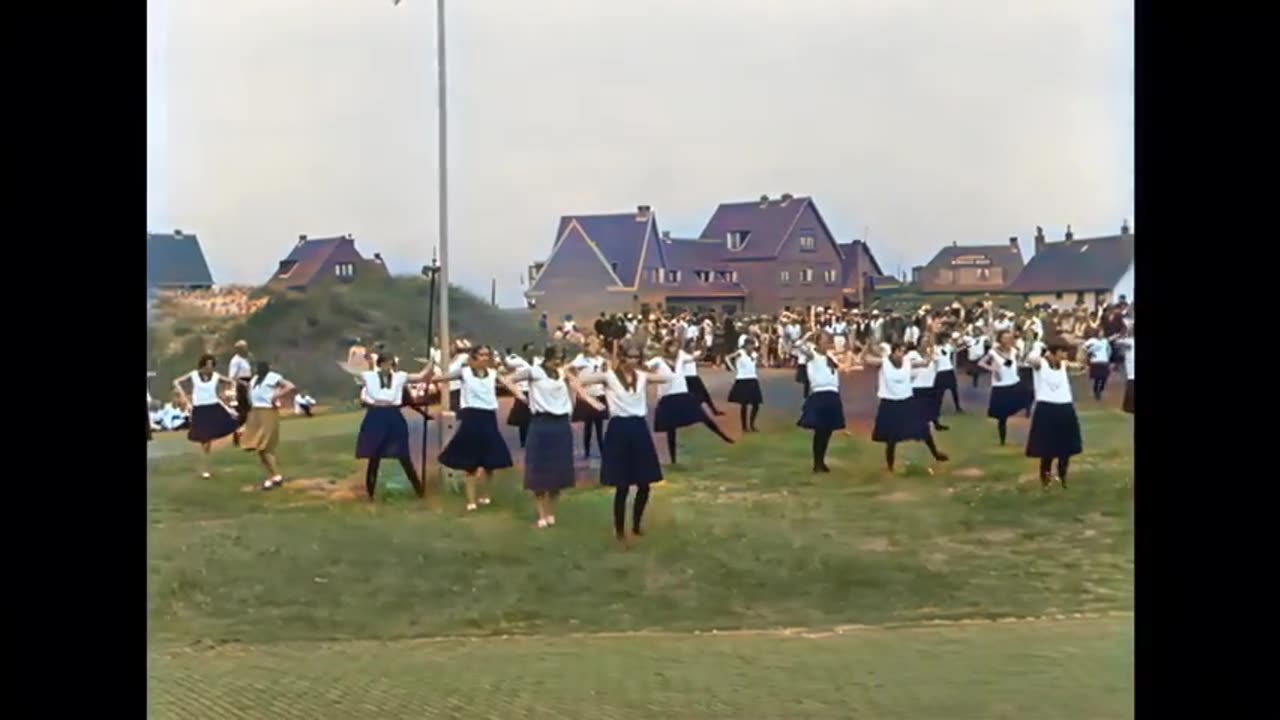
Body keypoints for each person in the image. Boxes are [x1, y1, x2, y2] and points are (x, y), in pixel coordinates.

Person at [576, 345, 672, 547]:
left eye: (637, 356)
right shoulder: (609, 376)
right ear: (622, 357)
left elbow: (667, 377)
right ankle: (619, 529)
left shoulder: (642, 376)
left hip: (638, 427)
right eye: (630, 356)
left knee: (645, 483)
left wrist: (661, 360)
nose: (634, 360)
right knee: (622, 484)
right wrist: (592, 402)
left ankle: (636, 525)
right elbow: (578, 381)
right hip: (619, 427)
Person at [509, 346, 602, 528]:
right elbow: (508, 379)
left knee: (558, 469)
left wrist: (591, 401)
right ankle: (541, 513)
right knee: (539, 470)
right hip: (541, 423)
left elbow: (577, 386)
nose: (558, 362)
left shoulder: (562, 373)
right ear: (547, 357)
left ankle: (551, 511)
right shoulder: (534, 372)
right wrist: (521, 395)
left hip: (561, 423)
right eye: (555, 358)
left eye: (561, 358)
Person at [433, 346, 521, 512]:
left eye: (487, 355)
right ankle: (471, 500)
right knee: (470, 462)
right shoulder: (465, 372)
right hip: (471, 416)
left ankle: (486, 496)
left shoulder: (493, 374)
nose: (484, 358)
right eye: (481, 355)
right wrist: (430, 378)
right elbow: (442, 378)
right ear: (474, 357)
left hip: (488, 417)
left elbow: (509, 383)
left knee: (490, 461)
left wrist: (522, 396)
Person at [862, 343, 949, 473]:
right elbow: (866, 359)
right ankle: (890, 465)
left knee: (923, 428)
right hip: (890, 403)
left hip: (906, 401)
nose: (902, 355)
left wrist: (930, 353)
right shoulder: (884, 362)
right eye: (900, 352)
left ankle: (936, 454)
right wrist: (865, 346)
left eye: (903, 352)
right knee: (891, 437)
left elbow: (924, 363)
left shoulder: (907, 361)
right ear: (894, 352)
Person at [356, 353, 432, 500]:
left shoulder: (400, 376)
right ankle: (370, 494)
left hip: (393, 414)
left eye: (390, 364)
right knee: (374, 456)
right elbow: (354, 371)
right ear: (380, 364)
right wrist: (365, 358)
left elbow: (421, 376)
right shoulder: (369, 376)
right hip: (375, 415)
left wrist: (431, 363)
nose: (388, 366)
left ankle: (419, 491)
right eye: (385, 363)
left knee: (403, 454)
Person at [648, 338, 734, 464]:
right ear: (666, 348)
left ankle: (724, 437)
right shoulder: (658, 361)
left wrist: (704, 348)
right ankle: (673, 460)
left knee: (703, 416)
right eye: (672, 346)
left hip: (682, 394)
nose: (675, 349)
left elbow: (695, 358)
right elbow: (644, 366)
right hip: (667, 397)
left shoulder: (681, 356)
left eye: (677, 346)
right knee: (671, 429)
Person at [1024, 343, 1086, 488]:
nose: (1064, 356)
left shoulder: (1064, 365)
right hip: (1046, 408)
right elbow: (1029, 359)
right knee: (1047, 448)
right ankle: (1045, 479)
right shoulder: (1042, 364)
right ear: (1055, 352)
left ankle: (1062, 477)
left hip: (1065, 407)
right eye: (1062, 353)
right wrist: (1038, 348)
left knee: (1066, 447)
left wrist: (1082, 352)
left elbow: (1080, 367)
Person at [796, 332, 858, 472]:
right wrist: (808, 336)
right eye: (824, 341)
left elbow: (842, 368)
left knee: (828, 431)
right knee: (820, 430)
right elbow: (798, 346)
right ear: (818, 343)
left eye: (828, 341)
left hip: (832, 393)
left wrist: (848, 355)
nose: (827, 344)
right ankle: (817, 463)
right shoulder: (812, 355)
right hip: (820, 393)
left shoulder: (830, 357)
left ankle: (821, 461)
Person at [173, 354, 240, 478]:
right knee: (205, 441)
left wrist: (231, 395)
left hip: (214, 407)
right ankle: (205, 467)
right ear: (203, 365)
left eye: (212, 365)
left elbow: (231, 382)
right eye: (208, 365)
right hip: (200, 409)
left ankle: (206, 466)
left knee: (234, 423)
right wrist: (185, 397)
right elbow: (176, 381)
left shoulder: (215, 376)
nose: (210, 368)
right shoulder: (193, 375)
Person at [240, 361, 296, 490]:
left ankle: (276, 476)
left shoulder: (273, 377)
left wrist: (275, 396)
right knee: (258, 446)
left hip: (267, 411)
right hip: (256, 412)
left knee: (265, 446)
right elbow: (250, 392)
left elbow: (289, 386)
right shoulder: (254, 379)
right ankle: (273, 475)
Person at [978, 330, 1027, 446]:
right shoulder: (993, 352)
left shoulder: (1014, 351)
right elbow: (981, 363)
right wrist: (993, 369)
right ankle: (1002, 440)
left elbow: (1018, 362)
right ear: (1000, 339)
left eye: (1009, 337)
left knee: (1027, 399)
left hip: (1014, 383)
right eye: (1004, 338)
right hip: (1001, 385)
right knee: (1002, 417)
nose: (1007, 340)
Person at [570, 336, 610, 459]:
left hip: (599, 394)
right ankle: (586, 451)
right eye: (592, 344)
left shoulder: (601, 360)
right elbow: (570, 370)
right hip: (587, 395)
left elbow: (607, 373)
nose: (595, 347)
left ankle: (603, 450)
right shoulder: (581, 359)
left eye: (596, 344)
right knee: (588, 425)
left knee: (599, 426)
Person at [907, 338, 948, 433]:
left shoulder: (930, 354)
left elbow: (937, 364)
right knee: (918, 408)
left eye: (927, 342)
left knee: (931, 406)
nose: (926, 344)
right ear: (919, 343)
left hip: (929, 384)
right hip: (917, 385)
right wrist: (930, 356)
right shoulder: (912, 354)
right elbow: (918, 364)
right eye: (924, 342)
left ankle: (935, 424)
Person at [724, 338, 764, 433]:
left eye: (753, 345)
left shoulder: (754, 354)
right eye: (750, 345)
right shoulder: (740, 353)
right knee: (744, 404)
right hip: (742, 379)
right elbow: (727, 358)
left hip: (753, 379)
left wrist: (759, 360)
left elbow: (757, 365)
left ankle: (752, 424)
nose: (752, 347)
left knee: (756, 404)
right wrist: (732, 367)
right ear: (746, 345)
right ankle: (744, 427)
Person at [503, 344, 536, 448]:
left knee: (535, 417)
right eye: (529, 350)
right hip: (522, 391)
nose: (531, 352)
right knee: (523, 419)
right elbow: (507, 364)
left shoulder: (537, 361)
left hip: (534, 391)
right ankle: (523, 440)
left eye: (533, 350)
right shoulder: (519, 361)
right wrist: (503, 355)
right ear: (525, 351)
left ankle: (533, 439)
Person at [228, 340, 253, 445]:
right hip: (242, 386)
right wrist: (242, 384)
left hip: (249, 384)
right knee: (244, 411)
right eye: (244, 347)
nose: (246, 349)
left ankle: (244, 433)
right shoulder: (235, 361)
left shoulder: (246, 359)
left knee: (249, 411)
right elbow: (232, 377)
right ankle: (236, 431)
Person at [933, 333, 962, 414]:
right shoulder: (935, 348)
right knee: (940, 393)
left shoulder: (948, 346)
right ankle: (937, 409)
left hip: (949, 369)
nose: (945, 340)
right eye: (944, 338)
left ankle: (958, 407)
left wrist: (955, 341)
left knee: (954, 389)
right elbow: (935, 360)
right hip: (940, 371)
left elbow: (955, 349)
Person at [1082, 329, 1113, 401]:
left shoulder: (1105, 341)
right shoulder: (1092, 340)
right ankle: (1096, 392)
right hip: (1096, 361)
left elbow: (1108, 348)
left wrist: (1108, 357)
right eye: (1100, 332)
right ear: (1097, 333)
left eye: (1102, 333)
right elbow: (1083, 347)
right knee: (1097, 378)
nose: (1101, 334)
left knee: (1104, 377)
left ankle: (1101, 389)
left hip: (1104, 361)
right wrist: (1090, 352)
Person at [1116, 324, 1135, 415]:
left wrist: (1121, 336)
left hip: (1131, 369)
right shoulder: (1130, 341)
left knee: (1131, 387)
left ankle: (1128, 407)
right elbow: (1118, 343)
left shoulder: (1130, 341)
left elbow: (1118, 342)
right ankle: (1129, 407)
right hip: (1131, 369)